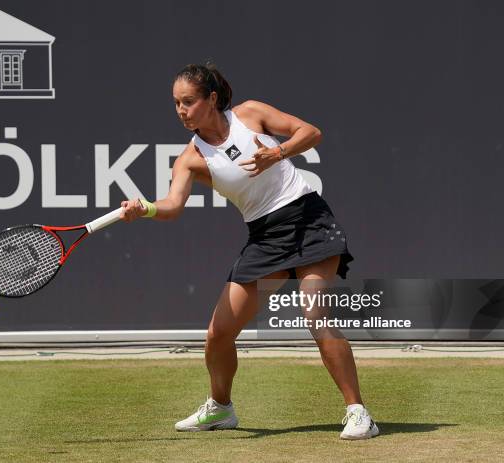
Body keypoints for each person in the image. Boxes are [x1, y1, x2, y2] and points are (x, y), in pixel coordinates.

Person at [120, 63, 379, 440]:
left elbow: (311, 133)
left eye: (188, 101)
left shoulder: (250, 113)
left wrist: (279, 153)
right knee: (218, 334)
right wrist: (147, 208)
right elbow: (173, 205)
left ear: (211, 99)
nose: (181, 111)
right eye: (176, 103)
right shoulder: (190, 157)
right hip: (264, 237)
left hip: (308, 220)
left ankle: (359, 413)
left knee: (314, 312)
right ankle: (221, 408)